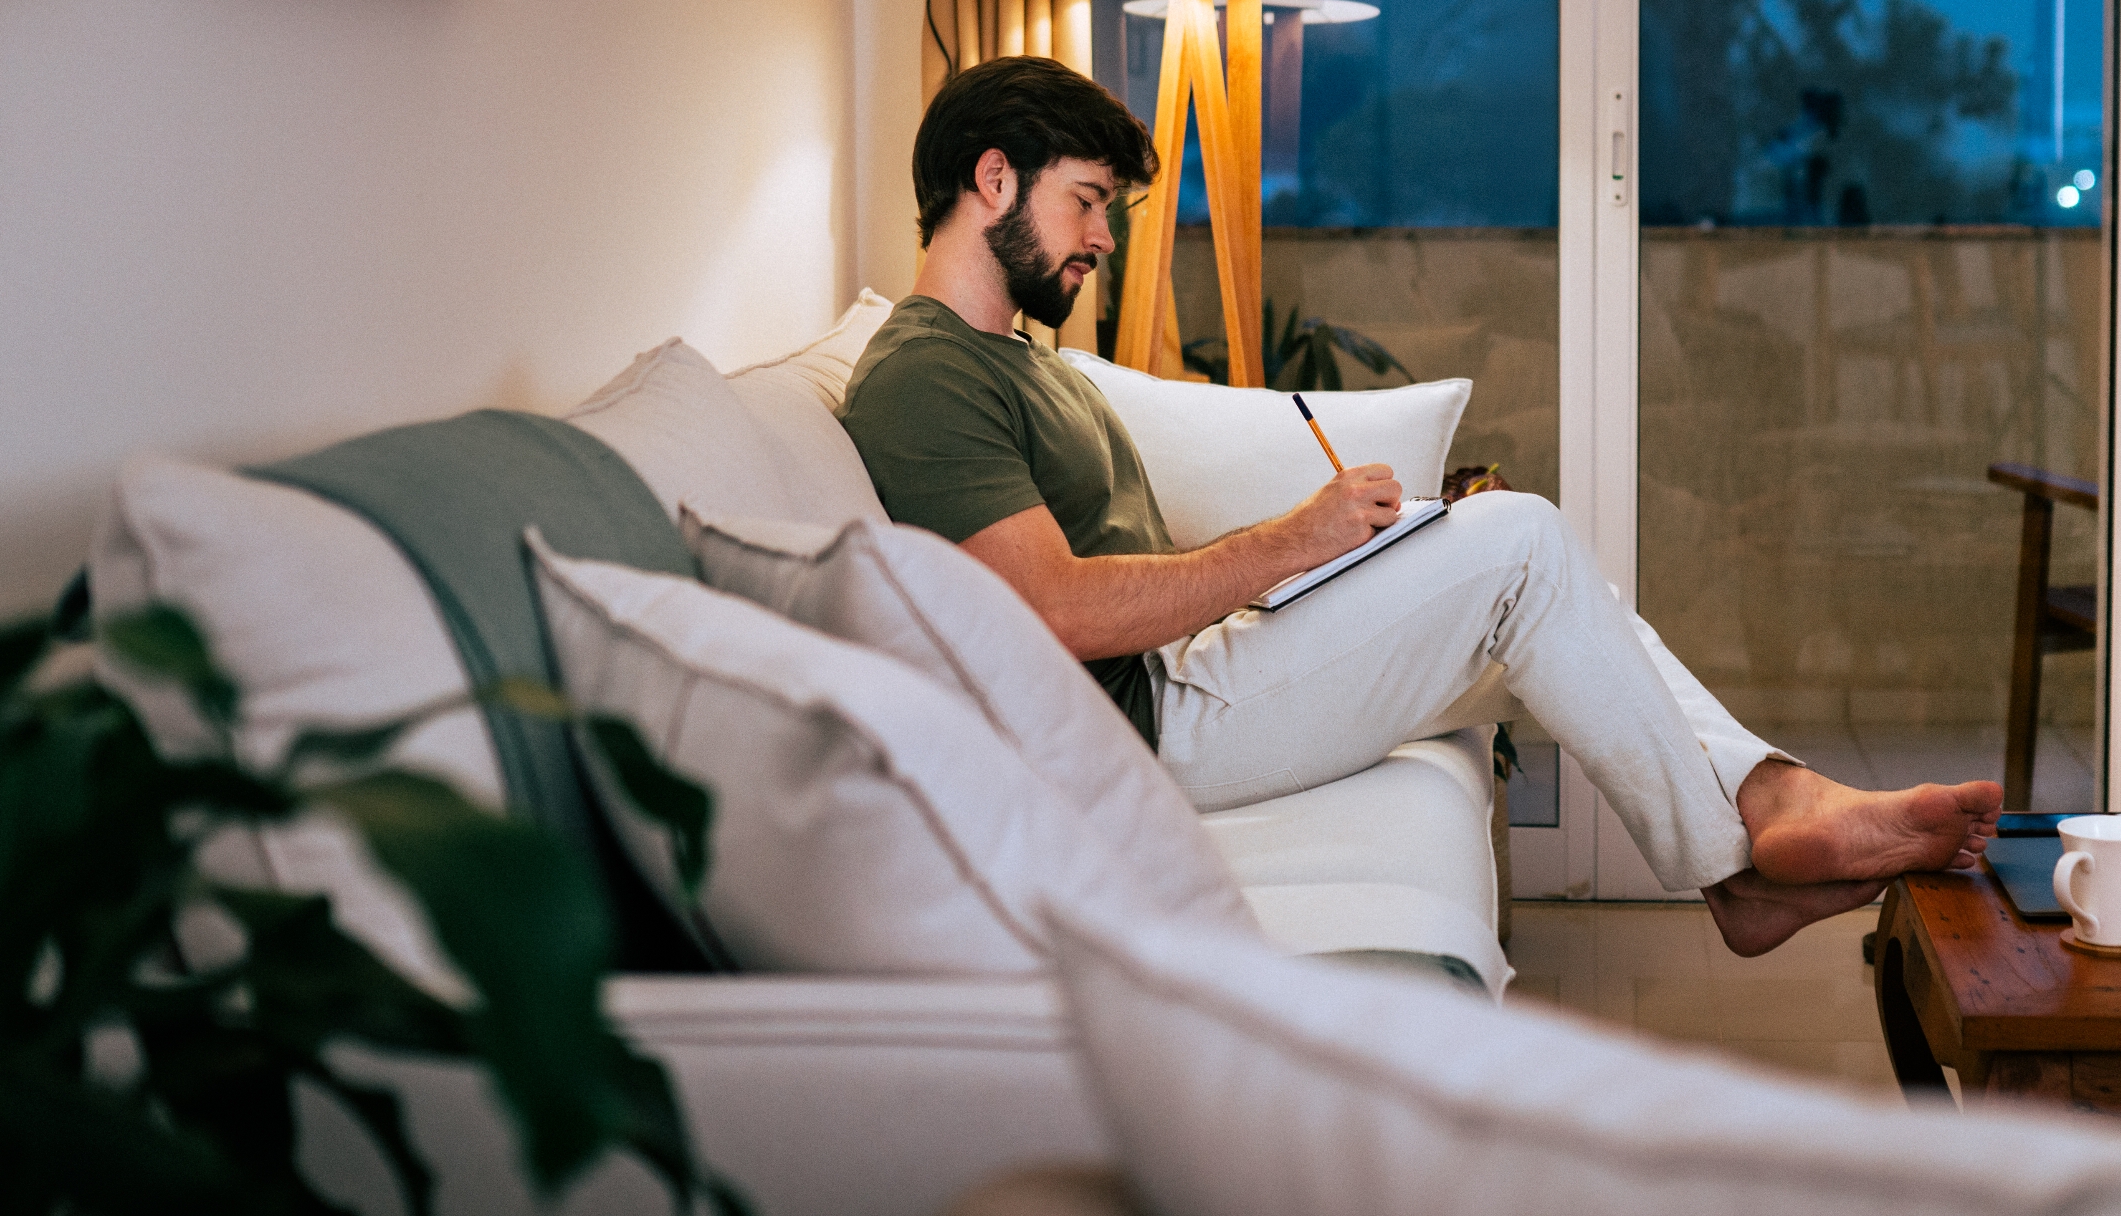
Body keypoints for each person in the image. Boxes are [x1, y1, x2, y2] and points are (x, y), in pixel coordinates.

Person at [839, 58, 2001, 956]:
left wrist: (1323, 566)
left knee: (1557, 596)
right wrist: (1290, 539)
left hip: (1188, 670)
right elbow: (1055, 613)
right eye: (1086, 202)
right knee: (1525, 540)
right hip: (1143, 726)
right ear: (991, 178)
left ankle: (1767, 803)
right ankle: (1741, 864)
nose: (1101, 237)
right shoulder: (925, 375)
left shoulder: (1020, 359)